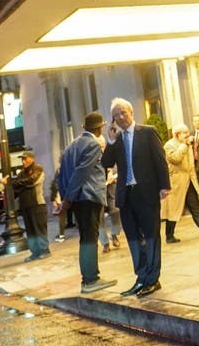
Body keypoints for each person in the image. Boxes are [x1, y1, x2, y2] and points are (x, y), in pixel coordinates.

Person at [102, 98, 171, 298]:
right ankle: (141, 278)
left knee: (151, 236)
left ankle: (152, 279)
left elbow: (160, 159)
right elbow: (106, 162)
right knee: (133, 238)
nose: (121, 117)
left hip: (146, 193)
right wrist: (110, 142)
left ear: (131, 112)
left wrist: (164, 185)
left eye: (123, 112)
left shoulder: (147, 132)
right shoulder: (117, 139)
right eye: (116, 115)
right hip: (126, 196)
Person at [57, 112, 118, 294]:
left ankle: (89, 278)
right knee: (90, 238)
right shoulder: (92, 144)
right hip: (88, 197)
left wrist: (66, 197)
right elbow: (82, 172)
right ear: (99, 128)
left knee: (86, 237)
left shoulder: (72, 145)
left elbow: (62, 175)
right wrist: (68, 199)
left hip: (78, 199)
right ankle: (90, 279)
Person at [162, 123, 199, 242]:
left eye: (188, 133)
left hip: (189, 179)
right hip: (176, 182)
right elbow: (175, 159)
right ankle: (169, 235)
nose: (188, 135)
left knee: (194, 204)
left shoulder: (187, 145)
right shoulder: (169, 145)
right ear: (177, 134)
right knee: (174, 209)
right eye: (185, 133)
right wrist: (182, 147)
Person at [12, 150, 50, 262]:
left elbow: (32, 181)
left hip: (37, 203)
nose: (23, 161)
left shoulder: (38, 169)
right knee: (30, 230)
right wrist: (22, 184)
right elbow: (15, 186)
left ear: (31, 158)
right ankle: (35, 252)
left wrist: (21, 184)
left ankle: (44, 250)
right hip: (25, 205)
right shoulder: (21, 173)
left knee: (39, 228)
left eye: (25, 159)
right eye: (22, 159)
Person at [98, 167, 122, 253]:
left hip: (112, 189)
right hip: (98, 192)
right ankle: (105, 244)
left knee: (116, 211)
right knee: (99, 219)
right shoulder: (93, 156)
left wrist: (113, 174)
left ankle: (114, 234)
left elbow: (119, 168)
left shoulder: (112, 155)